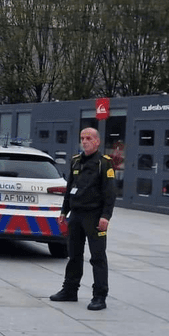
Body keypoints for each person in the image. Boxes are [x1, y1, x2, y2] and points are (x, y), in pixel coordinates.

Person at [50, 127, 117, 311]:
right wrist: (64, 211)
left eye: (89, 138)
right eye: (82, 138)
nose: (85, 141)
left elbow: (110, 193)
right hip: (76, 215)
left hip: (95, 217)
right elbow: (69, 187)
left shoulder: (104, 163)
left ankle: (99, 296)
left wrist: (106, 216)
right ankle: (70, 290)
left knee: (97, 257)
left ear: (97, 142)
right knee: (74, 255)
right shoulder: (75, 161)